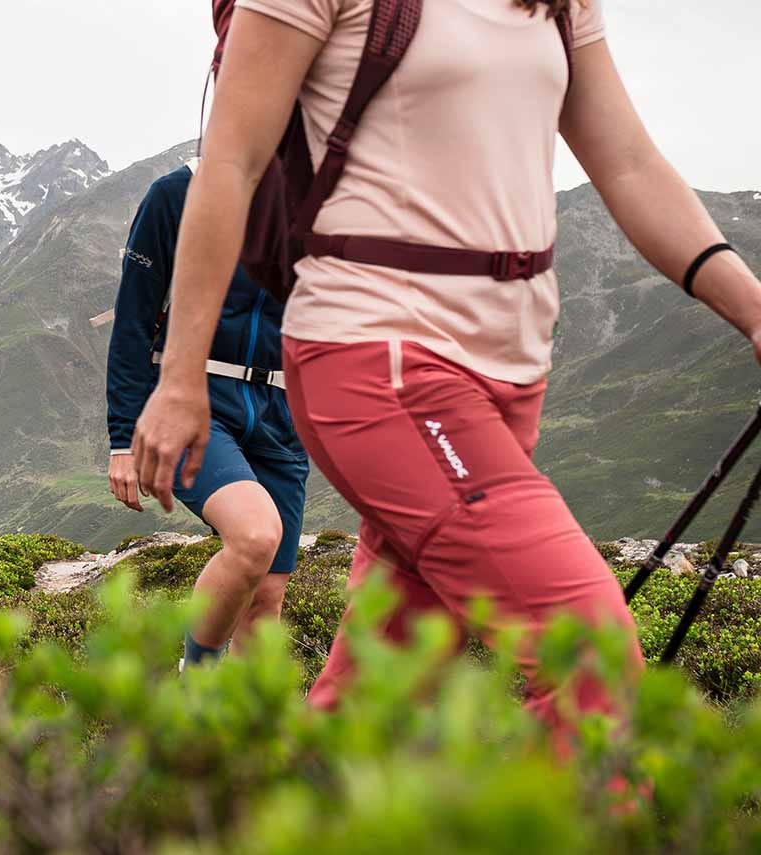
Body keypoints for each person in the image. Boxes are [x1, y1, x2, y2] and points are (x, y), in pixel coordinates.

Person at [133, 0, 761, 733]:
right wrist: (179, 382)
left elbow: (629, 164)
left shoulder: (559, 3)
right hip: (378, 359)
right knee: (589, 653)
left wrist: (752, 308)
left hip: (510, 380)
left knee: (379, 697)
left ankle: (269, 812)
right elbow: (231, 166)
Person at [108, 159, 309, 669]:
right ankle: (194, 682)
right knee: (255, 535)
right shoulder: (177, 193)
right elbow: (132, 323)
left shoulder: (325, 202)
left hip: (283, 416)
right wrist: (122, 438)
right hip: (195, 402)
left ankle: (239, 737)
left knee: (266, 601)